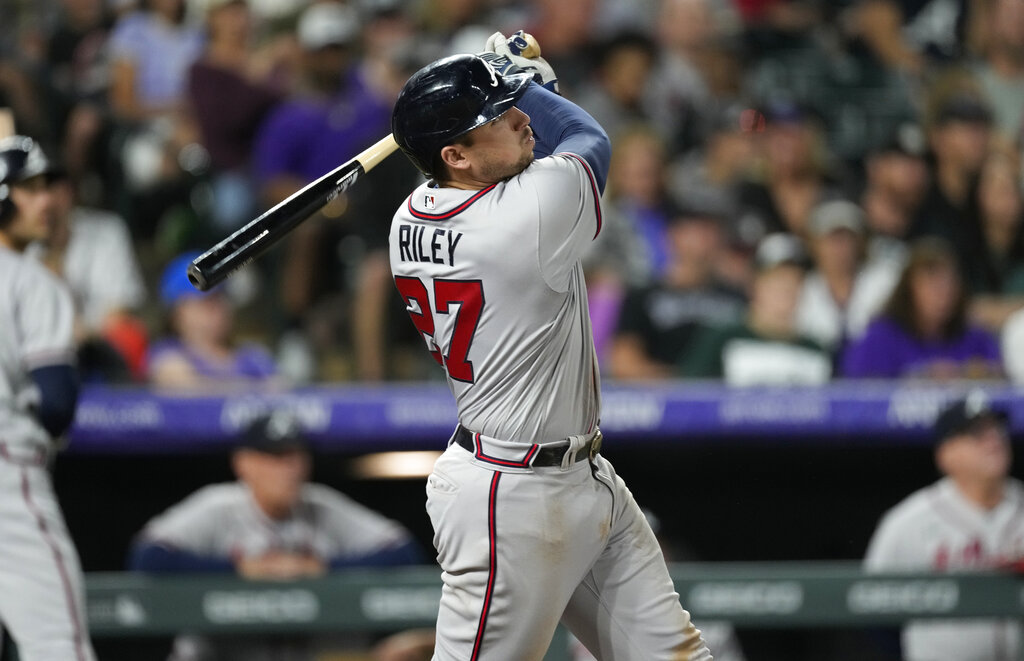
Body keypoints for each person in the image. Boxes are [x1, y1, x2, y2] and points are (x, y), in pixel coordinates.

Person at [388, 35, 711, 661]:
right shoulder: (524, 216)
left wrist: (510, 83)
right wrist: (528, 78)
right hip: (509, 497)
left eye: (511, 106)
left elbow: (533, 148)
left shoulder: (411, 216)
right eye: (498, 117)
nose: (520, 118)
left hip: (579, 475)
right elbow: (589, 140)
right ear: (454, 154)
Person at [128, 410, 425, 660]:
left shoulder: (320, 505)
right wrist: (241, 571)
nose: (290, 469)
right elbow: (149, 557)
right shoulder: (219, 506)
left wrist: (324, 570)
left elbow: (404, 552)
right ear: (243, 463)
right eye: (276, 457)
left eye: (296, 456)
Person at [0, 135, 96, 660]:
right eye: (28, 188)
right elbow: (57, 401)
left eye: (47, 188)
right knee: (58, 644)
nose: (47, 201)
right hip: (7, 480)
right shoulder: (33, 281)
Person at [864, 391, 1023, 660]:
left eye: (997, 429)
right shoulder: (907, 521)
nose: (993, 440)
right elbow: (869, 608)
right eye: (976, 433)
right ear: (946, 454)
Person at [680, 232, 831, 385]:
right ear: (754, 285)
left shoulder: (815, 350)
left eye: (796, 280)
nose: (787, 289)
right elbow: (692, 398)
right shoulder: (722, 339)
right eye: (777, 280)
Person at [842, 237, 1003, 379]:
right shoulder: (881, 336)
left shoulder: (974, 336)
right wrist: (919, 377)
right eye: (932, 286)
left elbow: (1000, 379)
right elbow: (856, 392)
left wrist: (969, 374)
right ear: (909, 289)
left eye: (948, 285)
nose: (942, 295)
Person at [147, 251, 279, 389]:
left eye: (221, 298)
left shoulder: (252, 357)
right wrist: (256, 388)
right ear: (177, 313)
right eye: (206, 302)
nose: (217, 308)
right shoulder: (167, 355)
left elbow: (281, 393)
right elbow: (187, 388)